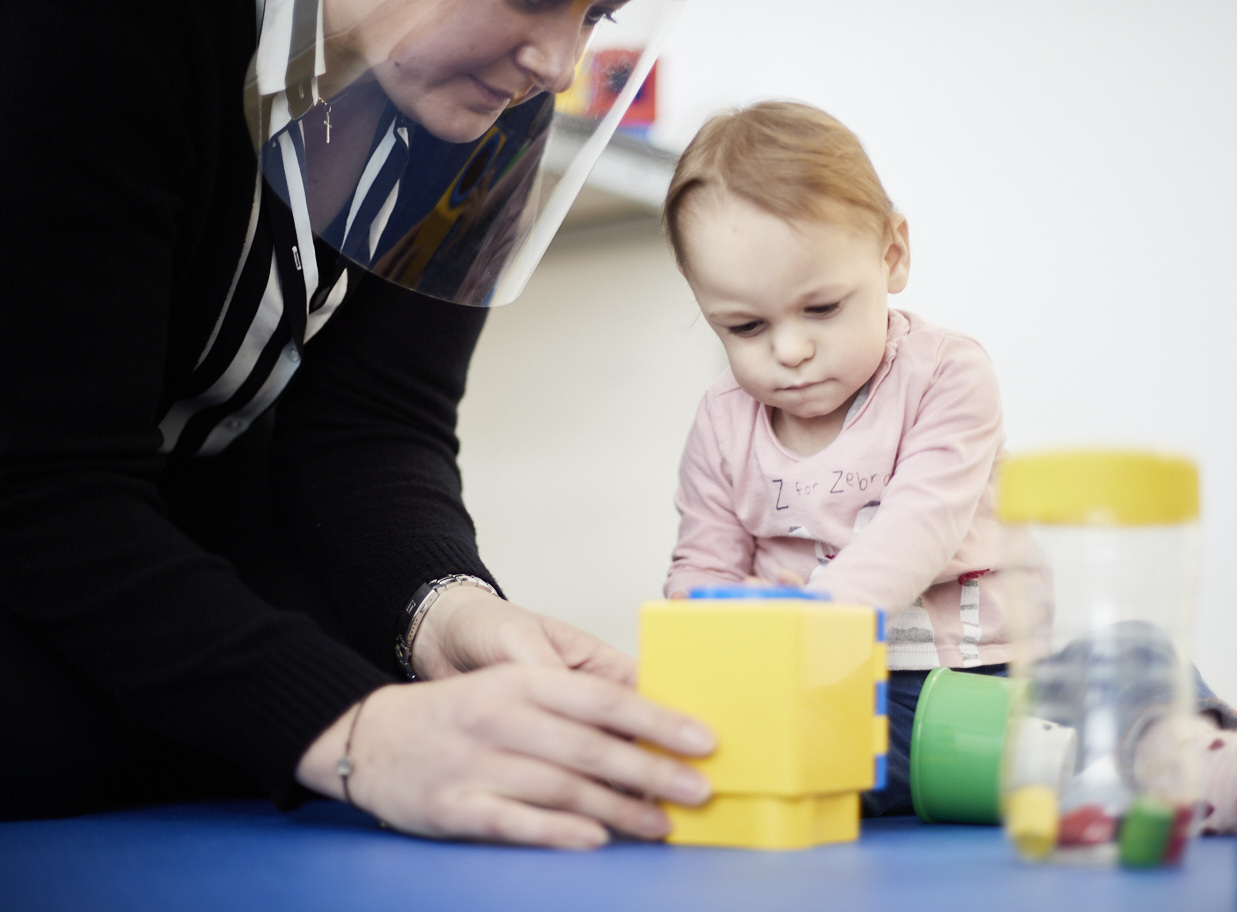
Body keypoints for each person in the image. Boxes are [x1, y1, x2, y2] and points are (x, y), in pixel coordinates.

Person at [0, 0, 715, 849]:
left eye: (595, 15)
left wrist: (446, 612)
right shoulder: (104, 29)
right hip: (43, 514)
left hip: (148, 521)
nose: (559, 66)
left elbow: (376, 426)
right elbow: (44, 476)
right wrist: (354, 732)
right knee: (50, 733)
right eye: (535, 0)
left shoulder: (484, 99)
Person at [657, 100, 1237, 832]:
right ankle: (1095, 778)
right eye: (745, 326)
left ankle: (1185, 759)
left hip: (992, 672)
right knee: (752, 750)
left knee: (1126, 653)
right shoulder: (721, 419)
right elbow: (700, 569)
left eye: (821, 308)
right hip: (839, 697)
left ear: (892, 255)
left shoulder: (946, 372)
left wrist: (812, 622)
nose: (788, 350)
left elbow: (918, 528)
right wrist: (712, 677)